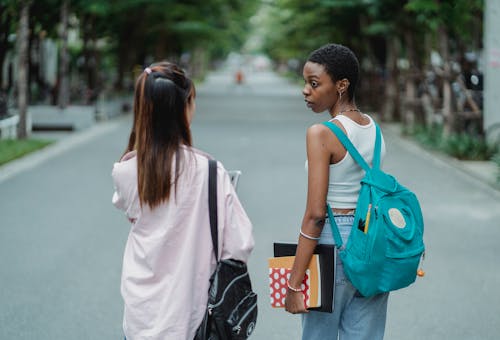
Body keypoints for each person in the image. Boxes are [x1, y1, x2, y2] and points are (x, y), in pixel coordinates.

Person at [111, 61, 254, 339]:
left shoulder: (127, 171)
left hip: (141, 314)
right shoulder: (210, 171)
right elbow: (239, 244)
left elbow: (129, 206)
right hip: (192, 314)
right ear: (185, 107)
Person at [284, 43, 388, 339]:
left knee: (320, 334)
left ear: (341, 85)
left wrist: (294, 283)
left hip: (334, 240)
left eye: (314, 84)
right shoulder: (374, 128)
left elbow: (316, 215)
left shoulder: (322, 133)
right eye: (305, 82)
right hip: (372, 238)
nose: (305, 90)